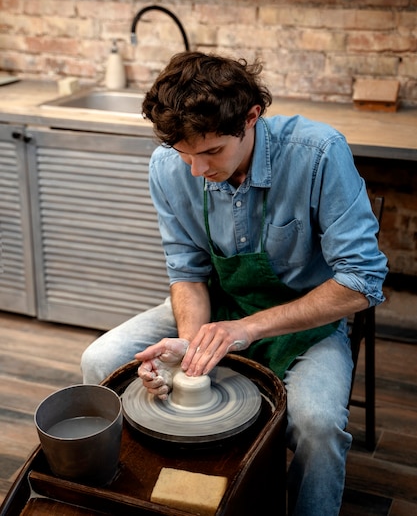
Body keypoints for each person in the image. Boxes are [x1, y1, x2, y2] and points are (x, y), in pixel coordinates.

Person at [81, 51, 387, 516]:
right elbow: (187, 271)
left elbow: (361, 282)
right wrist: (189, 351)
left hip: (306, 317)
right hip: (217, 306)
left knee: (319, 426)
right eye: (185, 155)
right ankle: (130, 495)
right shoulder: (168, 166)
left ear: (251, 118)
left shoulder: (319, 153)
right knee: (99, 360)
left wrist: (245, 329)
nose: (197, 171)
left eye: (211, 152)